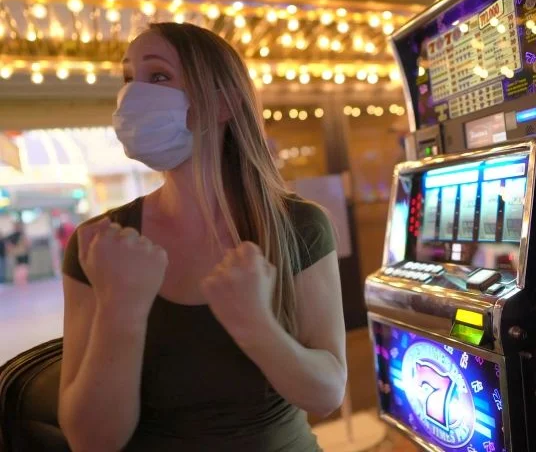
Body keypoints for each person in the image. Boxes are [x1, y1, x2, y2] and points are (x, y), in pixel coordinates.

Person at [58, 22, 347, 451]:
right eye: (129, 78)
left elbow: (326, 395)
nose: (133, 95)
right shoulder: (99, 243)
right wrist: (120, 310)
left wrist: (255, 325)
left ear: (224, 103)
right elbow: (90, 440)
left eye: (158, 76)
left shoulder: (299, 225)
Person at [7, 220, 30, 287]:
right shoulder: (13, 236)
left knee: (24, 270)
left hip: (23, 256)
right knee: (19, 271)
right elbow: (9, 245)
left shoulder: (22, 235)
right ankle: (19, 283)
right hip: (18, 257)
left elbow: (27, 244)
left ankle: (23, 283)